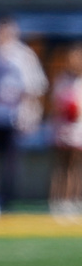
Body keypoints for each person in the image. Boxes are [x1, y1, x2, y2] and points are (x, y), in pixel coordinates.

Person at [0, 13, 48, 212]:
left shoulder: (23, 56)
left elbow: (35, 88)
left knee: (10, 163)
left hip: (14, 118)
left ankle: (6, 201)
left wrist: (29, 114)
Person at [49, 42, 82, 220]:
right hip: (63, 129)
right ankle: (58, 200)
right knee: (61, 166)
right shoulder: (62, 80)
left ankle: (74, 199)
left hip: (78, 130)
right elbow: (56, 104)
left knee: (75, 166)